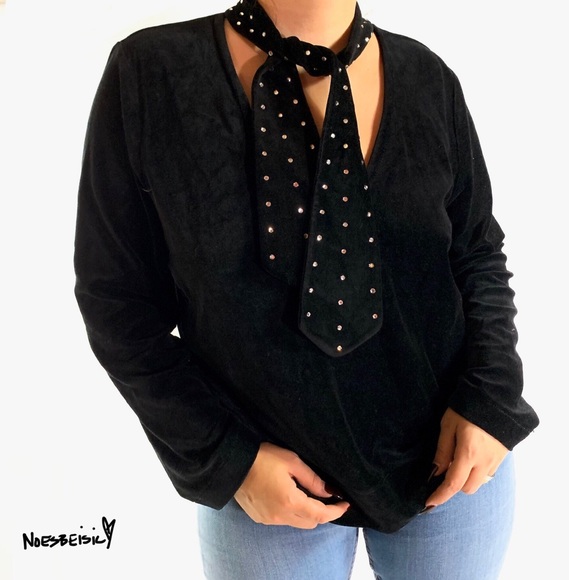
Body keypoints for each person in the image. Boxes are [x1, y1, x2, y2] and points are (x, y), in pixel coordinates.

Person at [74, 0, 539, 577]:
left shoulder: (429, 77)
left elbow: (477, 253)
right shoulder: (151, 73)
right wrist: (227, 456)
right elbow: (115, 301)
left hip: (452, 461)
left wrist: (490, 399)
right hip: (266, 483)